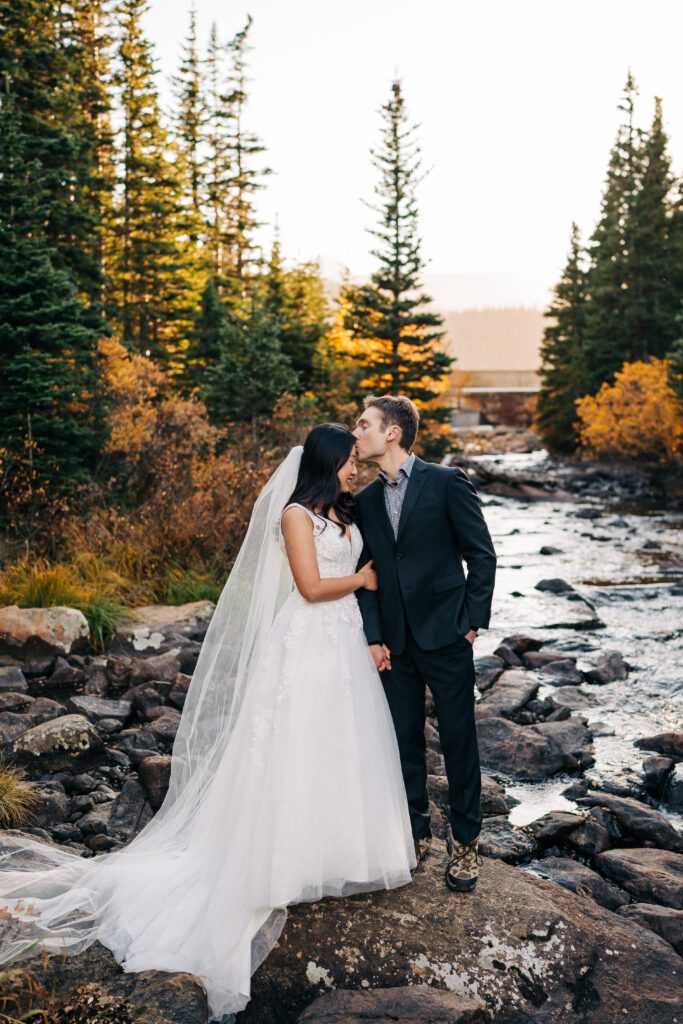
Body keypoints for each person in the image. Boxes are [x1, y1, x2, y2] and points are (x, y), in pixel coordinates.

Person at [0, 424, 415, 1021]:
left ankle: (339, 851)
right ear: (326, 463)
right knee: (294, 746)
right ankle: (282, 859)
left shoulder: (346, 513)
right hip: (305, 644)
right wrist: (364, 578)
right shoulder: (297, 515)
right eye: (350, 460)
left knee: (341, 746)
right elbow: (309, 585)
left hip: (344, 645)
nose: (358, 468)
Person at [352, 395, 497, 892]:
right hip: (395, 642)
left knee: (459, 740)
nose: (358, 432)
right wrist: (373, 637)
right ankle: (416, 835)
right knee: (402, 741)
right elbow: (365, 573)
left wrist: (472, 621)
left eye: (364, 424)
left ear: (392, 432)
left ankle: (466, 842)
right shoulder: (365, 501)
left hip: (446, 632)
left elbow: (482, 555)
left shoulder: (447, 482)